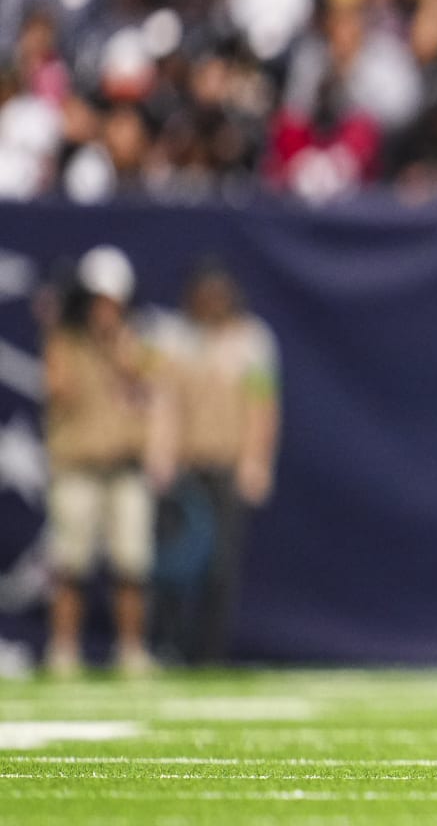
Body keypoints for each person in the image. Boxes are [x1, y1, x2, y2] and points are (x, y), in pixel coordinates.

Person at [147, 262, 281, 665]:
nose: (213, 303)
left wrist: (256, 461)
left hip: (225, 465)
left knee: (220, 568)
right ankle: (168, 645)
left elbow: (262, 407)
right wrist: (161, 455)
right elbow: (162, 402)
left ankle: (209, 653)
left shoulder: (252, 341)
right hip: (186, 466)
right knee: (173, 564)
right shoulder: (173, 337)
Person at [41, 246, 157, 677]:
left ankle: (131, 652)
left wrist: (115, 347)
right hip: (78, 466)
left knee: (132, 566)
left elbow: (147, 386)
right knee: (70, 565)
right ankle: (64, 652)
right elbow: (59, 390)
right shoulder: (64, 341)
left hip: (125, 466)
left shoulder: (135, 339)